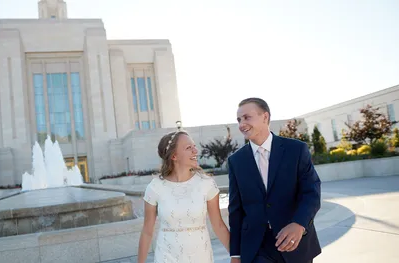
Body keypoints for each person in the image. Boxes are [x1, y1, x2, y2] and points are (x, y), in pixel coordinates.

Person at [228, 98, 322, 263]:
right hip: (257, 247)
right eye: (239, 120)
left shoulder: (296, 150)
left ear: (265, 117)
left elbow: (311, 192)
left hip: (295, 242)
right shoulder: (236, 161)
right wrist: (235, 254)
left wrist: (299, 224)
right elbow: (236, 211)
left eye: (247, 117)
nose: (242, 124)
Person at [138, 130, 230, 263]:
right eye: (188, 148)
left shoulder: (206, 184)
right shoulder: (155, 187)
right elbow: (147, 231)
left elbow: (219, 226)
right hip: (166, 257)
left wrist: (236, 256)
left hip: (200, 257)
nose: (195, 151)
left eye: (194, 146)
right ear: (174, 156)